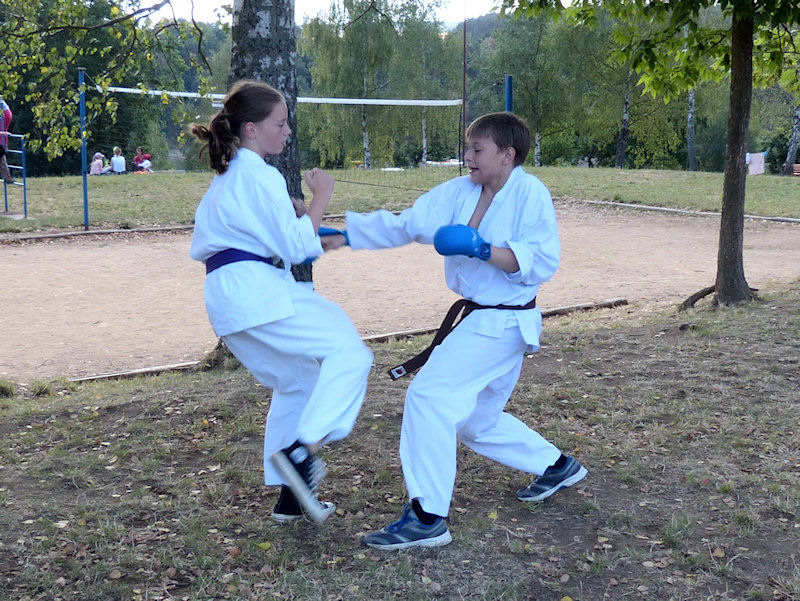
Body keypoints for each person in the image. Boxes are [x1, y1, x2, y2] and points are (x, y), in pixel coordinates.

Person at [325, 112, 587, 549]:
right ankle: (556, 466)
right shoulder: (459, 191)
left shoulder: (530, 193)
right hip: (484, 319)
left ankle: (427, 517)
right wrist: (346, 235)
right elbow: (408, 224)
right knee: (478, 422)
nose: (468, 157)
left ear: (507, 154)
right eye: (468, 148)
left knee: (429, 397)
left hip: (503, 320)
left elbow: (541, 262)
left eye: (477, 149)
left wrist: (483, 249)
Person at [188, 80, 373, 524]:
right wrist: (321, 198)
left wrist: (300, 217)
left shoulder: (230, 178)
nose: (288, 131)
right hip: (257, 292)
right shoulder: (259, 175)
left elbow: (280, 236)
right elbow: (296, 248)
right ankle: (301, 454)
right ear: (251, 129)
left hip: (231, 301)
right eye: (281, 123)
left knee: (298, 381)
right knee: (352, 354)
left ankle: (291, 496)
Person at [0, 95, 14, 183]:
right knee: (2, 158)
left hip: (4, 114)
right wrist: (4, 133)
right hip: (5, 114)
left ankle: (7, 178)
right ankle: (7, 178)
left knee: (2, 158)